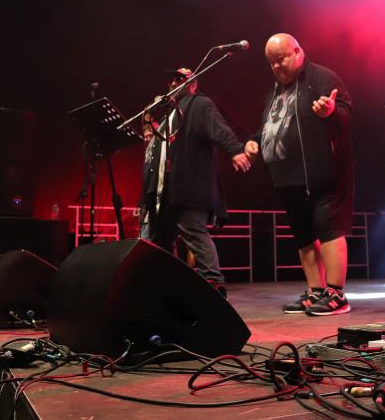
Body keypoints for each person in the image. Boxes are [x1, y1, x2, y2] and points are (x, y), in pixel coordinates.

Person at [242, 34, 355, 316]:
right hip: (287, 178)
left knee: (328, 229)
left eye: (281, 59)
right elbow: (269, 126)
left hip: (322, 172)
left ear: (298, 52)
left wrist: (330, 112)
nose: (276, 66)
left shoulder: (321, 78)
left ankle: (336, 294)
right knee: (303, 235)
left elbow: (345, 112)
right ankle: (315, 291)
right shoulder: (275, 91)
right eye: (271, 62)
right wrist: (254, 141)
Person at [140, 68, 252, 297]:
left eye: (180, 79)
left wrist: (235, 150)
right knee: (162, 237)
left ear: (192, 84)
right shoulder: (171, 114)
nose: (174, 83)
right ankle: (167, 285)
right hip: (169, 190)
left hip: (190, 185)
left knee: (192, 228)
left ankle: (214, 282)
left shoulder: (199, 103)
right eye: (171, 79)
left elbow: (218, 127)